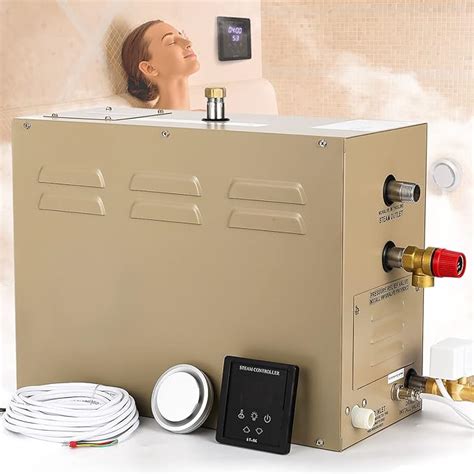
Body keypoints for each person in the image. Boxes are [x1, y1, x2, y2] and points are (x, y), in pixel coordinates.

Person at [121, 20, 200, 110]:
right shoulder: (154, 120)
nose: (189, 43)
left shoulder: (206, 114)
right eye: (171, 42)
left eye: (182, 36)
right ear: (149, 68)